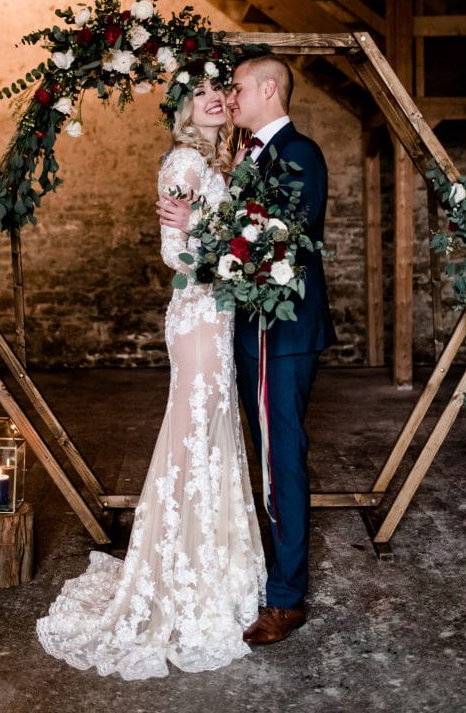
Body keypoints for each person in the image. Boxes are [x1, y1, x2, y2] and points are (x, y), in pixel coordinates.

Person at [36, 77, 266, 680]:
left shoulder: (219, 162)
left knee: (212, 427)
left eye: (222, 89)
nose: (215, 98)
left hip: (219, 314)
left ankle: (210, 563)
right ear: (184, 110)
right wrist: (223, 253)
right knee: (194, 429)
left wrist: (221, 230)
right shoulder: (184, 161)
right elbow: (173, 251)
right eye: (202, 93)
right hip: (196, 313)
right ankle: (178, 573)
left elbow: (213, 230)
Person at [160, 54, 336, 646]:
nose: (229, 97)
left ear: (267, 89)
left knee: (280, 459)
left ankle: (286, 599)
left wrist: (199, 227)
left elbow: (275, 246)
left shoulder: (300, 154)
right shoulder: (242, 157)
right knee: (258, 456)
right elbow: (244, 231)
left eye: (235, 88)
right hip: (245, 331)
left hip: (280, 336)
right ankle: (248, 569)